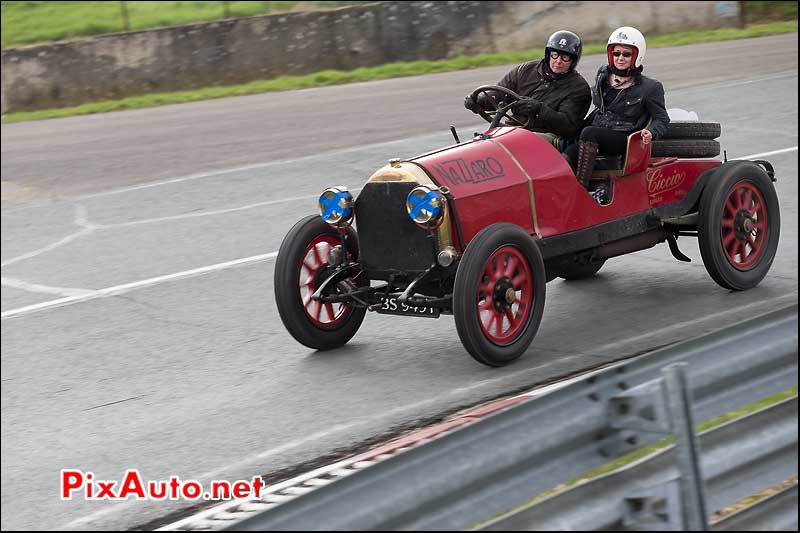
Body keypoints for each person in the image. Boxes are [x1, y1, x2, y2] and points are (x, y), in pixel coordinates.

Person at [564, 26, 670, 200]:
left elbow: (662, 119)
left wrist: (650, 132)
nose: (620, 58)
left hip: (624, 138)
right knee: (565, 145)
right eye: (616, 53)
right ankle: (557, 189)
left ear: (636, 56)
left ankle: (580, 192)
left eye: (626, 54)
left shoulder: (651, 87)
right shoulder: (603, 75)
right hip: (596, 133)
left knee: (589, 133)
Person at [464, 30, 591, 140]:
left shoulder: (578, 88)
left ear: (573, 61)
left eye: (565, 58)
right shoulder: (525, 70)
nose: (558, 61)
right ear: (548, 54)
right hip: (512, 128)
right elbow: (498, 95)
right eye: (555, 55)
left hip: (546, 135)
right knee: (484, 141)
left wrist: (540, 110)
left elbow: (568, 126)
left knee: (513, 142)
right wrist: (479, 101)